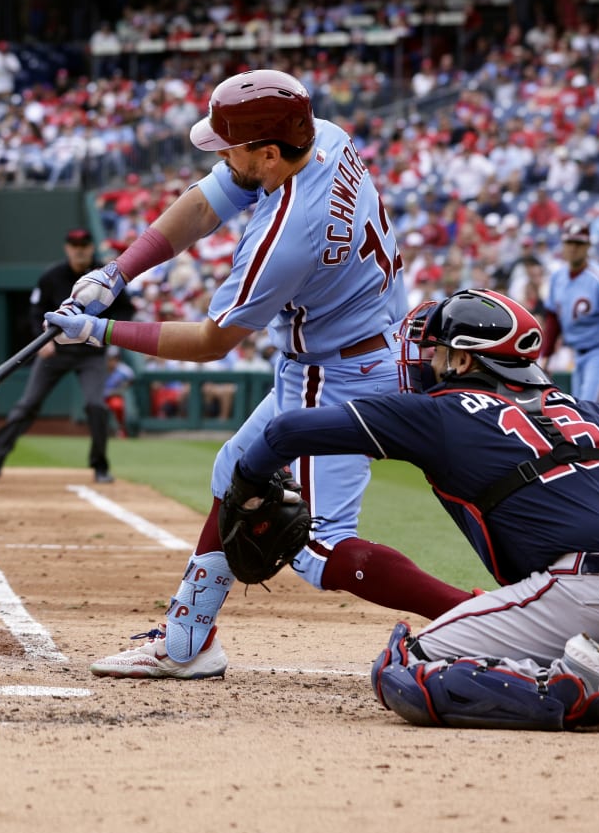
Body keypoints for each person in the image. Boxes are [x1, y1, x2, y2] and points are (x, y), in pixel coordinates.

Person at [45, 69, 473, 679]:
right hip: (352, 349)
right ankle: (189, 640)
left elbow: (213, 342)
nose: (223, 157)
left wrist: (100, 331)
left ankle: (483, 615)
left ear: (269, 152)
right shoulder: (323, 135)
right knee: (235, 473)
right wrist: (117, 274)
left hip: (338, 374)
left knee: (321, 550)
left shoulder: (287, 236)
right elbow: (204, 204)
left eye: (232, 148)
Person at [227, 289, 599, 732]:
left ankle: (582, 688)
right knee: (593, 593)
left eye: (435, 350)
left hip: (597, 593)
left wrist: (246, 484)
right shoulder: (586, 408)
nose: (425, 359)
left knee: (400, 670)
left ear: (462, 358)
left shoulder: (438, 412)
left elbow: (285, 433)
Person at [0, 228, 132, 484]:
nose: (80, 249)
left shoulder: (106, 276)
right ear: (67, 248)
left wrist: (109, 337)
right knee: (28, 405)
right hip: (56, 351)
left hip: (90, 353)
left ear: (91, 248)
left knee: (96, 406)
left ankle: (100, 467)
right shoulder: (52, 276)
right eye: (75, 245)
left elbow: (126, 311)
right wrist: (40, 341)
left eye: (84, 244)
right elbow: (35, 310)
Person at [541, 220, 599, 405]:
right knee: (581, 413)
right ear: (563, 245)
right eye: (569, 243)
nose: (573, 248)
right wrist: (546, 356)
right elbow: (553, 319)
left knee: (590, 413)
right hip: (577, 352)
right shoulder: (557, 277)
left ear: (588, 246)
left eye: (579, 243)